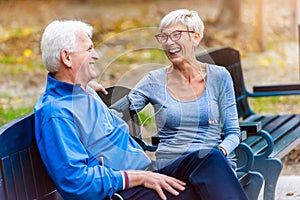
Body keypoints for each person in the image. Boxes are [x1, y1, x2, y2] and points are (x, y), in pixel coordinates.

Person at [34, 19, 248, 200]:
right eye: (89, 49)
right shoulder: (56, 114)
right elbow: (77, 183)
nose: (96, 55)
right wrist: (138, 178)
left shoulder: (79, 92)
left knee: (210, 159)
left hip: (144, 173)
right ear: (67, 57)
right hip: (123, 191)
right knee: (205, 190)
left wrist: (83, 87)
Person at [128, 8, 248, 197]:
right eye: (164, 37)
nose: (169, 43)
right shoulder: (154, 81)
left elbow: (233, 132)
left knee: (210, 159)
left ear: (195, 38)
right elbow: (120, 111)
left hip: (214, 162)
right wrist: (88, 88)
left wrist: (221, 151)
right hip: (173, 167)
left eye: (176, 35)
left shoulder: (219, 76)